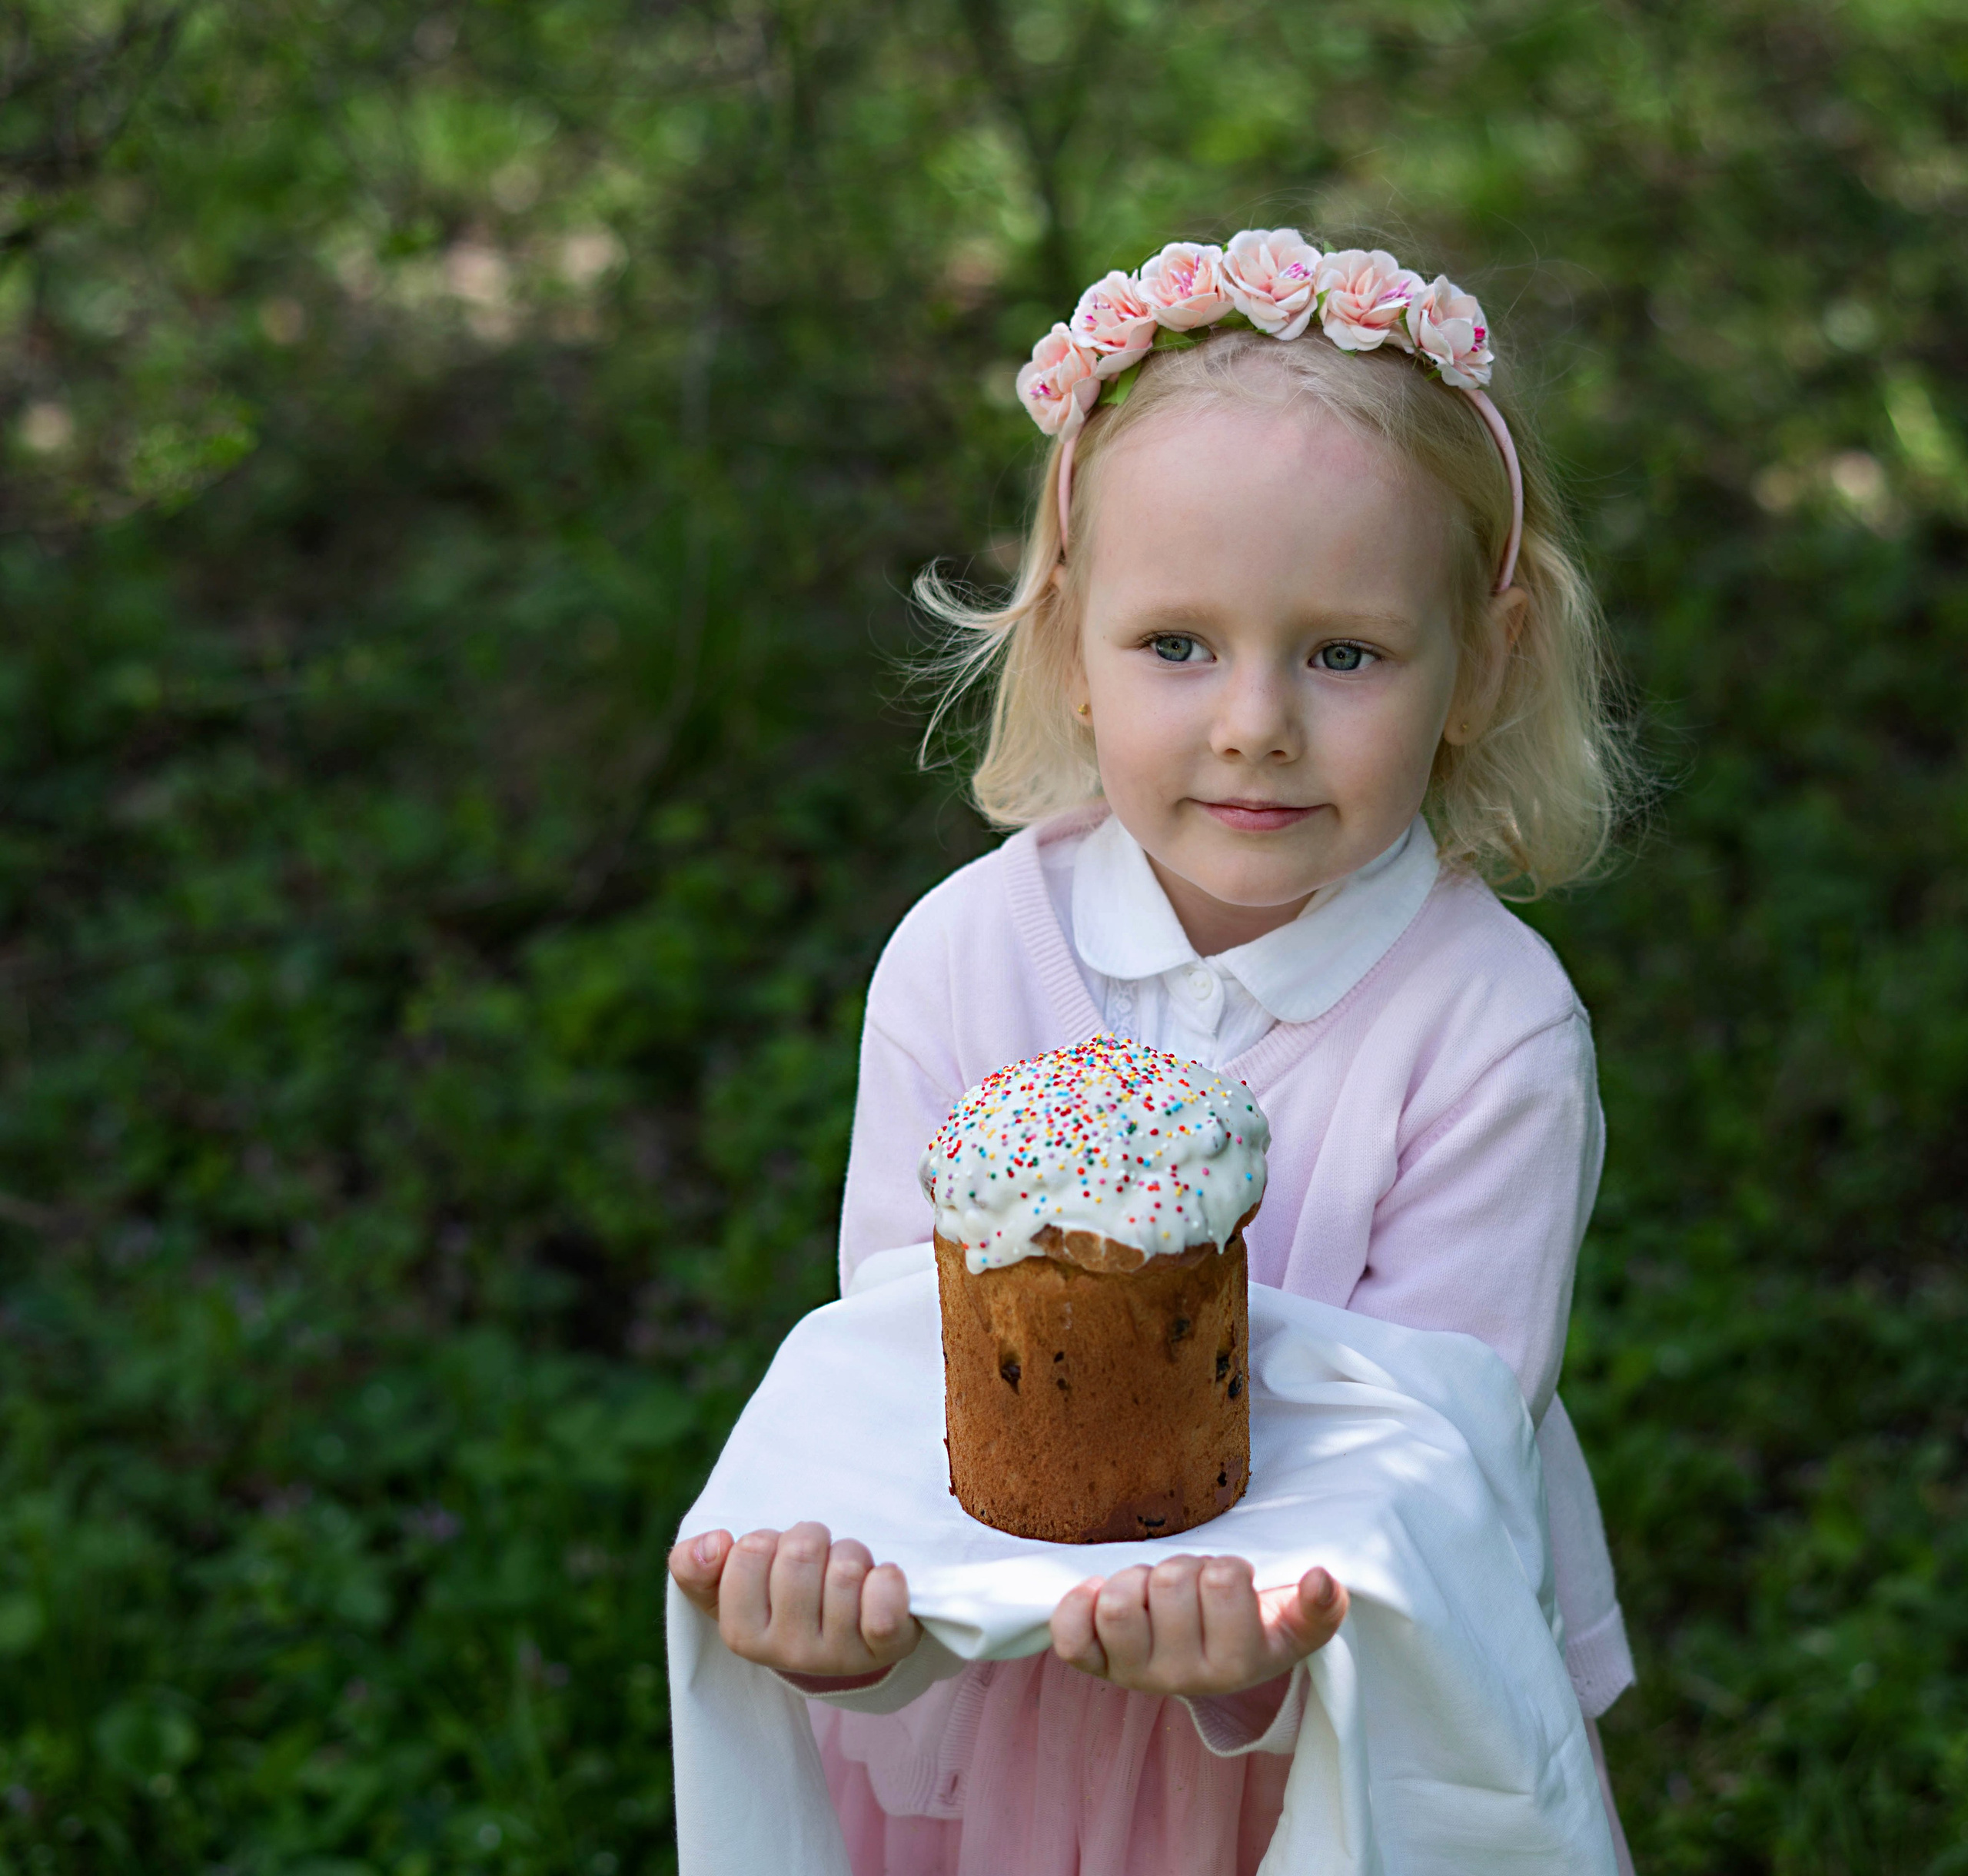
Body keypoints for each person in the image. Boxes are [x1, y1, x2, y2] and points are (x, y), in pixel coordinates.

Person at [670, 231, 1640, 1874]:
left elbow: (1440, 1435)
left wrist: (1259, 1650)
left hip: (1329, 1717)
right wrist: (868, 1625)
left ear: (1478, 660)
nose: (1252, 718)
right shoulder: (967, 959)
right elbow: (916, 1364)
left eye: (1341, 652)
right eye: (1175, 644)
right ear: (1063, 644)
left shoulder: (1485, 1026)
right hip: (1002, 1725)